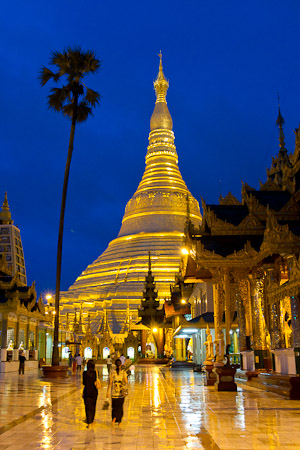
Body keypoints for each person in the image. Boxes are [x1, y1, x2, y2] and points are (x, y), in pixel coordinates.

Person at [106, 358, 127, 425]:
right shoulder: (123, 372)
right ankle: (119, 421)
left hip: (114, 393)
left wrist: (107, 392)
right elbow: (126, 381)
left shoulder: (112, 372)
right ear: (121, 365)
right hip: (121, 393)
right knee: (120, 407)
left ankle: (114, 419)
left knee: (114, 407)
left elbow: (110, 383)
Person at [82, 359, 99, 428]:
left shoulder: (84, 373)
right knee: (93, 406)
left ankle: (88, 421)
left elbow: (83, 383)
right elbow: (97, 381)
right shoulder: (95, 373)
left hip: (87, 391)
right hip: (94, 391)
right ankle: (92, 420)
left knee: (87, 407)